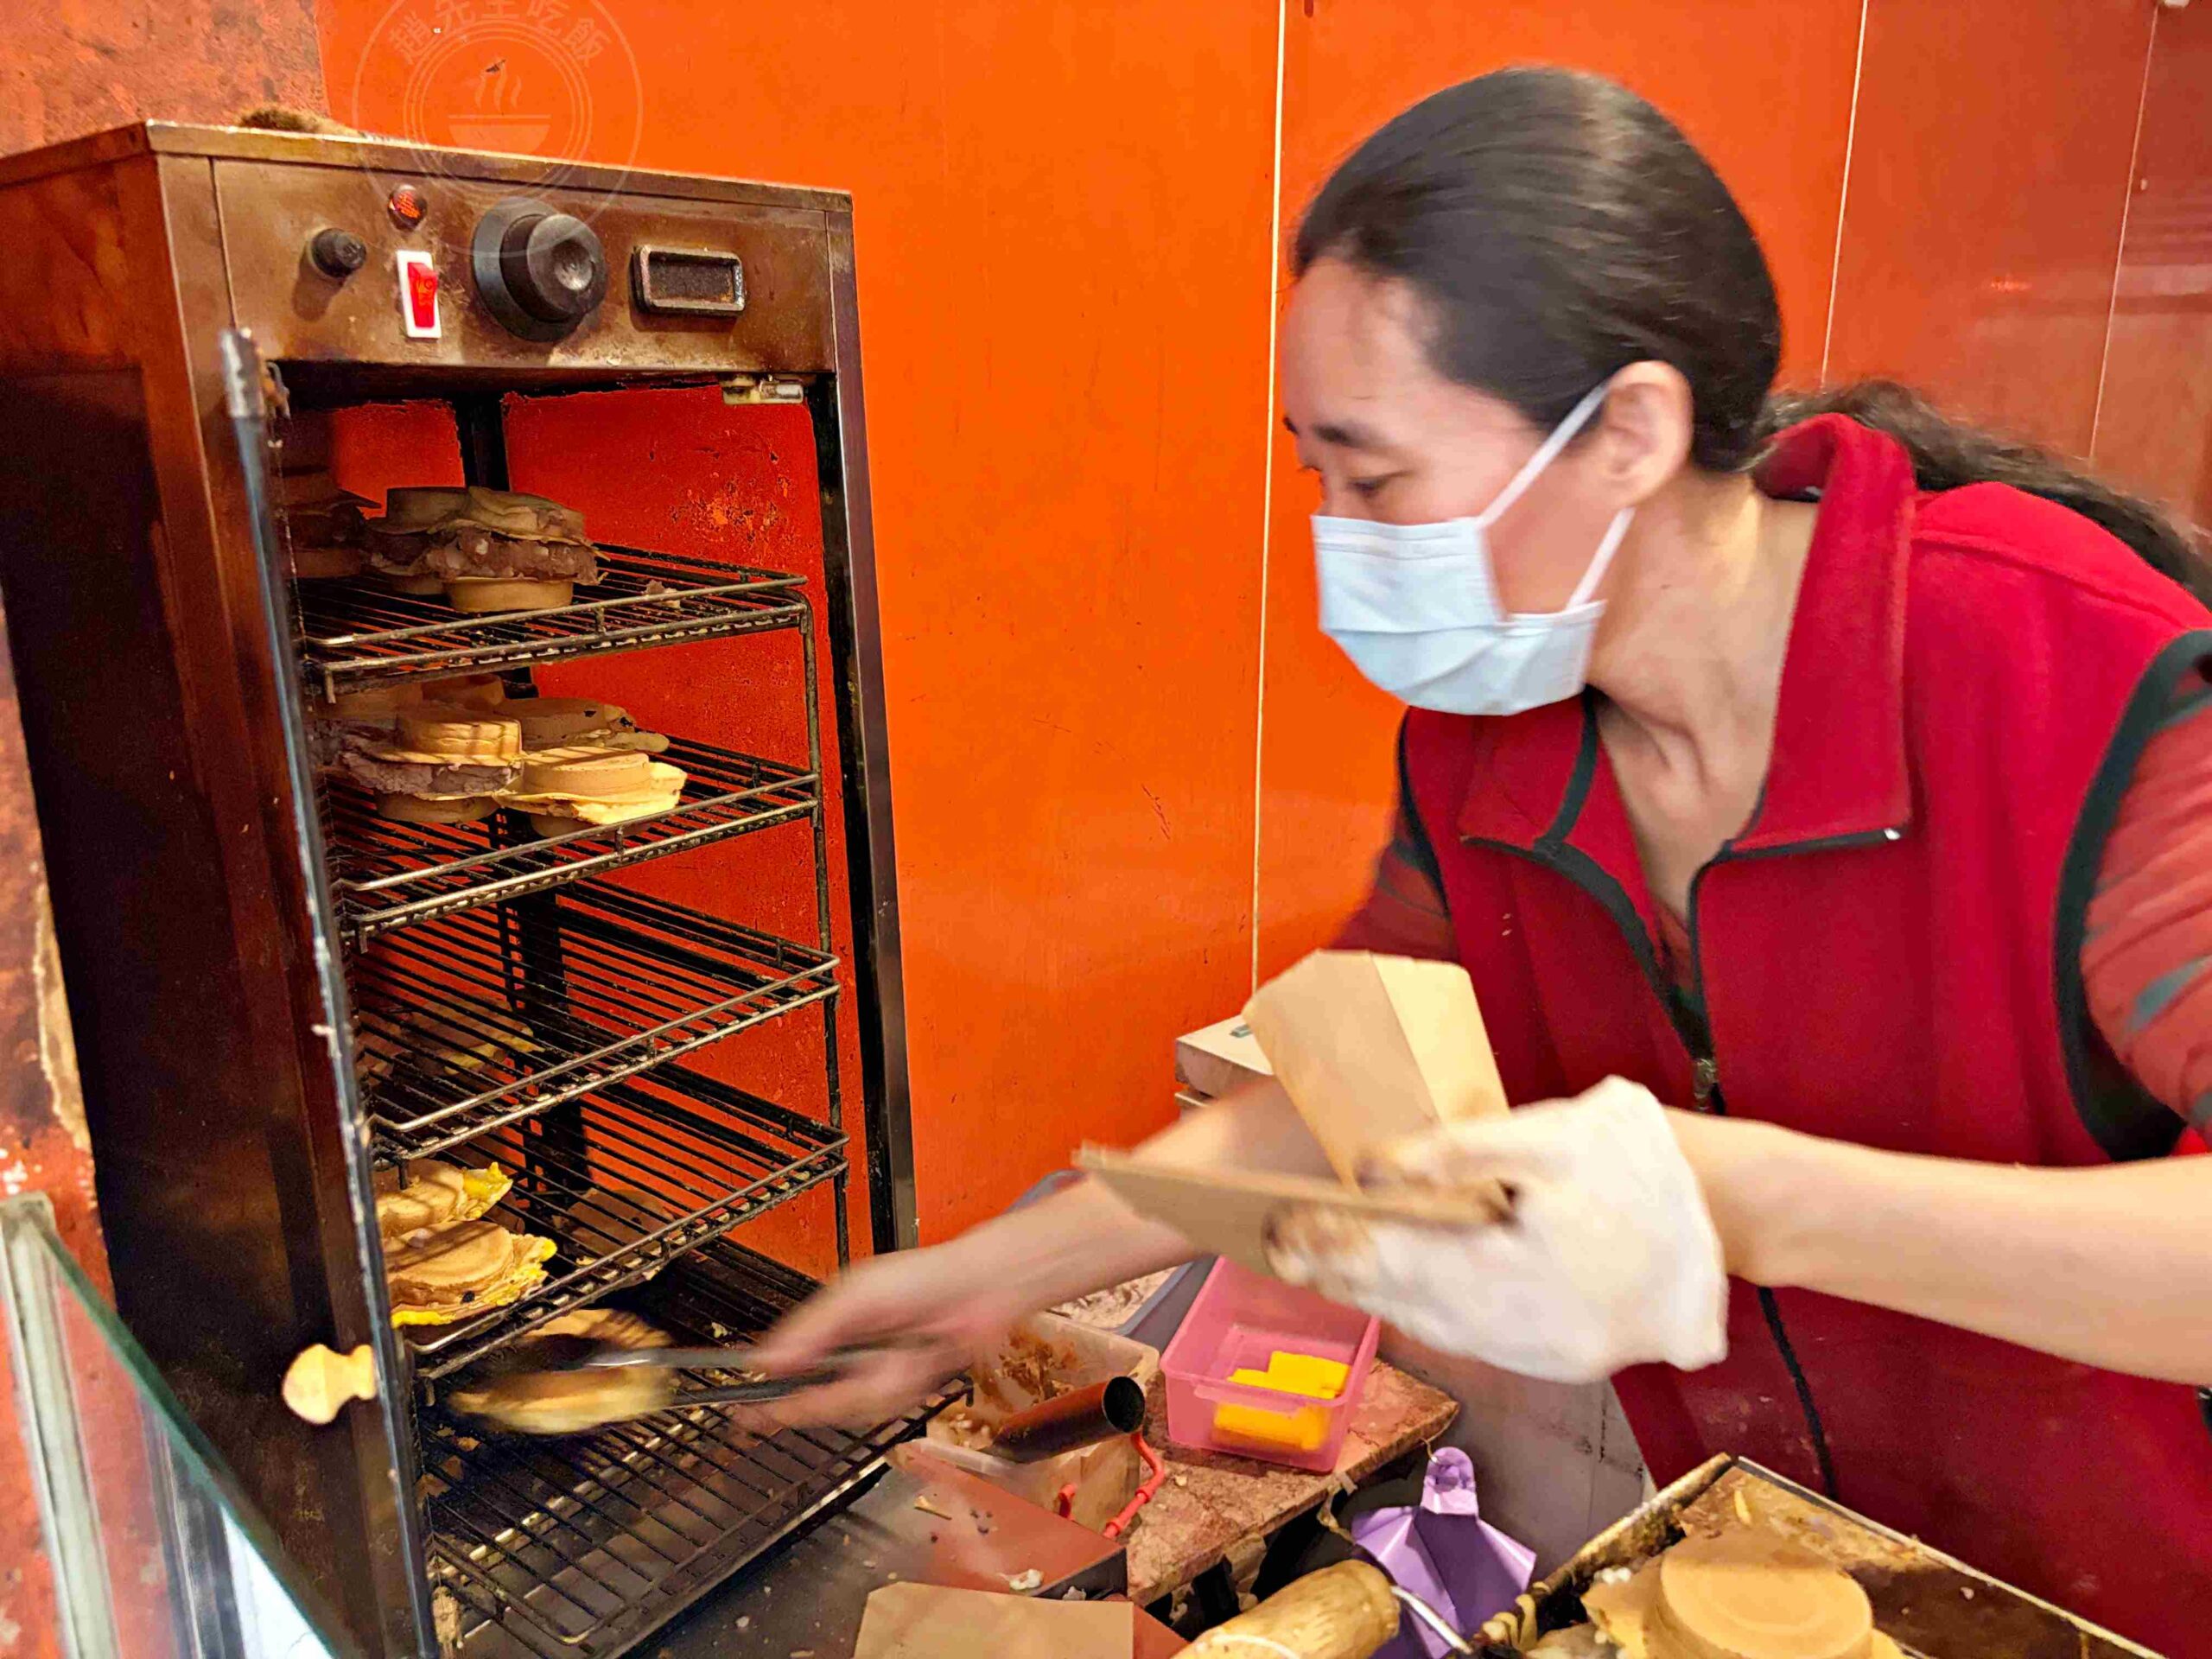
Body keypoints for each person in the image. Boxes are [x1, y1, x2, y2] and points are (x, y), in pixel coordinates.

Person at [755, 68, 2212, 1652]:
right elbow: (1348, 1093)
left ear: (1631, 431)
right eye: (1319, 477)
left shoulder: (2071, 675)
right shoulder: (1490, 744)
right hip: (1761, 1573)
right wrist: (988, 1274)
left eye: (1378, 479)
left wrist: (1748, 1202)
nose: (1341, 536)